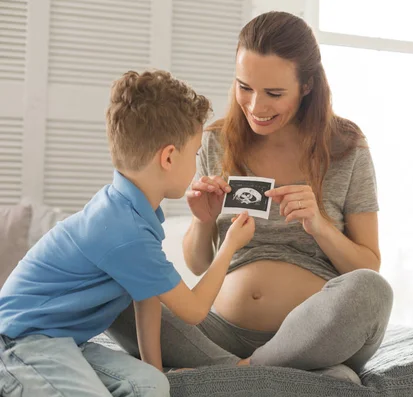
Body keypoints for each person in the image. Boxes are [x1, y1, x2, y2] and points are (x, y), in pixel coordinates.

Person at [107, 11, 393, 384]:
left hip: (317, 335)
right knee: (114, 284)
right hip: (218, 332)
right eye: (245, 87)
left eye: (274, 93)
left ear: (307, 85)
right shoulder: (216, 141)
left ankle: (241, 373)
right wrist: (203, 219)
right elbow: (198, 265)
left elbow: (367, 265)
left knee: (372, 292)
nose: (256, 106)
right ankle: (282, 376)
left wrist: (320, 227)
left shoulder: (347, 149)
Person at [0, 70, 255, 397]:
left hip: (64, 342)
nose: (195, 166)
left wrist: (153, 366)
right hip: (22, 341)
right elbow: (193, 310)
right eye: (193, 155)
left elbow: (144, 294)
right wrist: (230, 245)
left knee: (151, 384)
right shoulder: (124, 229)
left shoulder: (133, 211)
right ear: (168, 157)